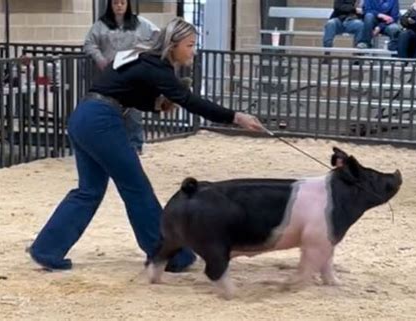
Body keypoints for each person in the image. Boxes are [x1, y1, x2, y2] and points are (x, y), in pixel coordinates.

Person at [29, 17, 265, 272]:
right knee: (136, 188)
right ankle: (167, 253)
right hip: (102, 121)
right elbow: (190, 101)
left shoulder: (140, 55)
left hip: (84, 116)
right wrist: (235, 116)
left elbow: (123, 88)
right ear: (173, 44)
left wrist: (157, 104)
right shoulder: (158, 67)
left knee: (89, 191)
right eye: (190, 45)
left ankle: (47, 249)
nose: (193, 51)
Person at [84, 0, 159, 154]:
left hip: (131, 71)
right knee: (109, 107)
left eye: (122, 2)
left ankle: (135, 145)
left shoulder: (139, 22)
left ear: (127, 4)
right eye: (116, 3)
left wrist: (142, 51)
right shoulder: (101, 25)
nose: (119, 6)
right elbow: (89, 44)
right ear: (110, 5)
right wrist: (100, 60)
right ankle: (110, 144)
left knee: (133, 109)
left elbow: (157, 35)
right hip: (110, 73)